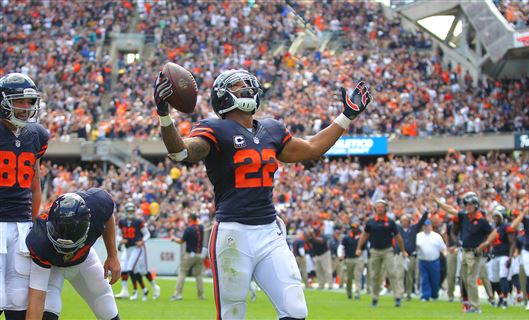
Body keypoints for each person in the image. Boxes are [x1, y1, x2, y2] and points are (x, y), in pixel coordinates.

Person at [154, 69, 371, 320]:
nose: (245, 87)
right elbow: (181, 153)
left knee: (295, 309)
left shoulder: (271, 129)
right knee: (232, 313)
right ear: (222, 96)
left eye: (247, 83)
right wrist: (164, 115)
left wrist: (347, 115)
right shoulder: (215, 129)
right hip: (233, 234)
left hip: (269, 232)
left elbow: (312, 148)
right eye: (237, 85)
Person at [25, 189, 121, 320]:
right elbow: (37, 297)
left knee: (105, 306)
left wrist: (112, 255)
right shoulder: (40, 238)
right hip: (53, 267)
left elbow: (108, 213)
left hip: (83, 260)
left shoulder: (98, 204)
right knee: (49, 309)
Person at [0, 73, 48, 320]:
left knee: (18, 298)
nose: (26, 108)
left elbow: (35, 181)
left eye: (30, 103)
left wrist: (32, 220)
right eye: (20, 101)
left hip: (21, 224)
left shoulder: (37, 134)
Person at [435, 192, 493, 313]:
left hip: (474, 252)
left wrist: (485, 244)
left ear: (476, 205)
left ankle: (476, 306)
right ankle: (472, 304)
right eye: (466, 204)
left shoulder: (481, 220)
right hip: (465, 251)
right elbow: (451, 210)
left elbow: (492, 233)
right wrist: (438, 202)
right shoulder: (464, 216)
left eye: (470, 204)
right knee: (465, 279)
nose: (468, 206)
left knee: (471, 279)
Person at [355, 199, 408, 308]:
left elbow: (398, 237)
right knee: (375, 275)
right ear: (375, 209)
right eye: (378, 206)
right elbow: (364, 235)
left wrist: (403, 250)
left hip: (388, 250)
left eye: (382, 207)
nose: (380, 208)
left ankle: (397, 297)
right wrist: (359, 247)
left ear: (385, 209)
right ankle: (375, 298)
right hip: (374, 251)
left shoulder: (391, 222)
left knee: (392, 273)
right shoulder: (371, 222)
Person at [115, 202, 159, 301]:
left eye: (132, 211)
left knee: (138, 270)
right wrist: (120, 240)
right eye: (129, 211)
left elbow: (147, 234)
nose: (130, 213)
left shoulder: (138, 221)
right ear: (126, 211)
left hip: (137, 248)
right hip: (127, 248)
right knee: (126, 269)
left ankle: (148, 288)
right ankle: (128, 290)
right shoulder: (122, 222)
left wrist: (142, 241)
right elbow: (118, 234)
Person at [476, 205, 516, 309]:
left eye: (497, 216)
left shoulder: (506, 226)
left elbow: (512, 243)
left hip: (504, 255)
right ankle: (501, 297)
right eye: (495, 216)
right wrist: (488, 253)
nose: (495, 218)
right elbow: (489, 242)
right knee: (493, 279)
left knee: (503, 277)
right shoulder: (493, 227)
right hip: (494, 255)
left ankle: (506, 300)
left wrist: (510, 257)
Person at [170, 213, 206, 301]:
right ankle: (200, 295)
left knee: (182, 273)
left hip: (190, 254)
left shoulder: (189, 229)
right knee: (199, 275)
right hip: (200, 255)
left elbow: (181, 241)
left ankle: (177, 294)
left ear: (190, 219)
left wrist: (174, 239)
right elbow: (200, 223)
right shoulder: (201, 227)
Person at [398, 211, 428, 300]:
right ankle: (400, 293)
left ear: (409, 221)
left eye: (406, 220)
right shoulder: (397, 229)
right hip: (400, 254)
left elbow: (421, 222)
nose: (404, 222)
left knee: (409, 275)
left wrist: (426, 212)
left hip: (411, 255)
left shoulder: (414, 229)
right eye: (402, 220)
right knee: (399, 274)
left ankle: (408, 293)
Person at [416, 219, 447, 301]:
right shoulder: (419, 236)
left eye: (428, 226)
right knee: (424, 278)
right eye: (425, 226)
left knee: (435, 279)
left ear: (431, 226)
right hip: (422, 260)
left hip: (434, 260)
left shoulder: (437, 236)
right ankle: (425, 295)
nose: (426, 227)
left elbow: (443, 248)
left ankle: (434, 295)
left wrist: (445, 255)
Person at [338, 223, 363, 300]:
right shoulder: (346, 238)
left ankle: (357, 293)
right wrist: (340, 255)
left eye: (355, 228)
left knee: (357, 276)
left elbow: (364, 250)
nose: (354, 230)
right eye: (353, 228)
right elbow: (341, 247)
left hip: (358, 259)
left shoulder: (361, 238)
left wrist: (365, 260)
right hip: (348, 259)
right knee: (348, 278)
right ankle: (349, 293)